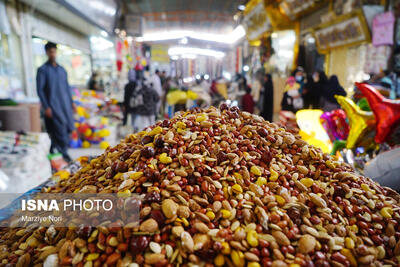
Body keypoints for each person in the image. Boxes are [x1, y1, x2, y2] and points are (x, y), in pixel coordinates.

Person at [36, 42, 74, 162]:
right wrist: (46, 107)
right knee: (59, 128)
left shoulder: (62, 70)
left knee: (67, 128)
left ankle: (54, 150)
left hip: (65, 105)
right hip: (53, 105)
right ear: (47, 53)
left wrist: (72, 103)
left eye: (54, 51)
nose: (52, 54)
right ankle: (64, 153)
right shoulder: (43, 70)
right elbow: (40, 90)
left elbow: (67, 87)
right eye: (50, 52)